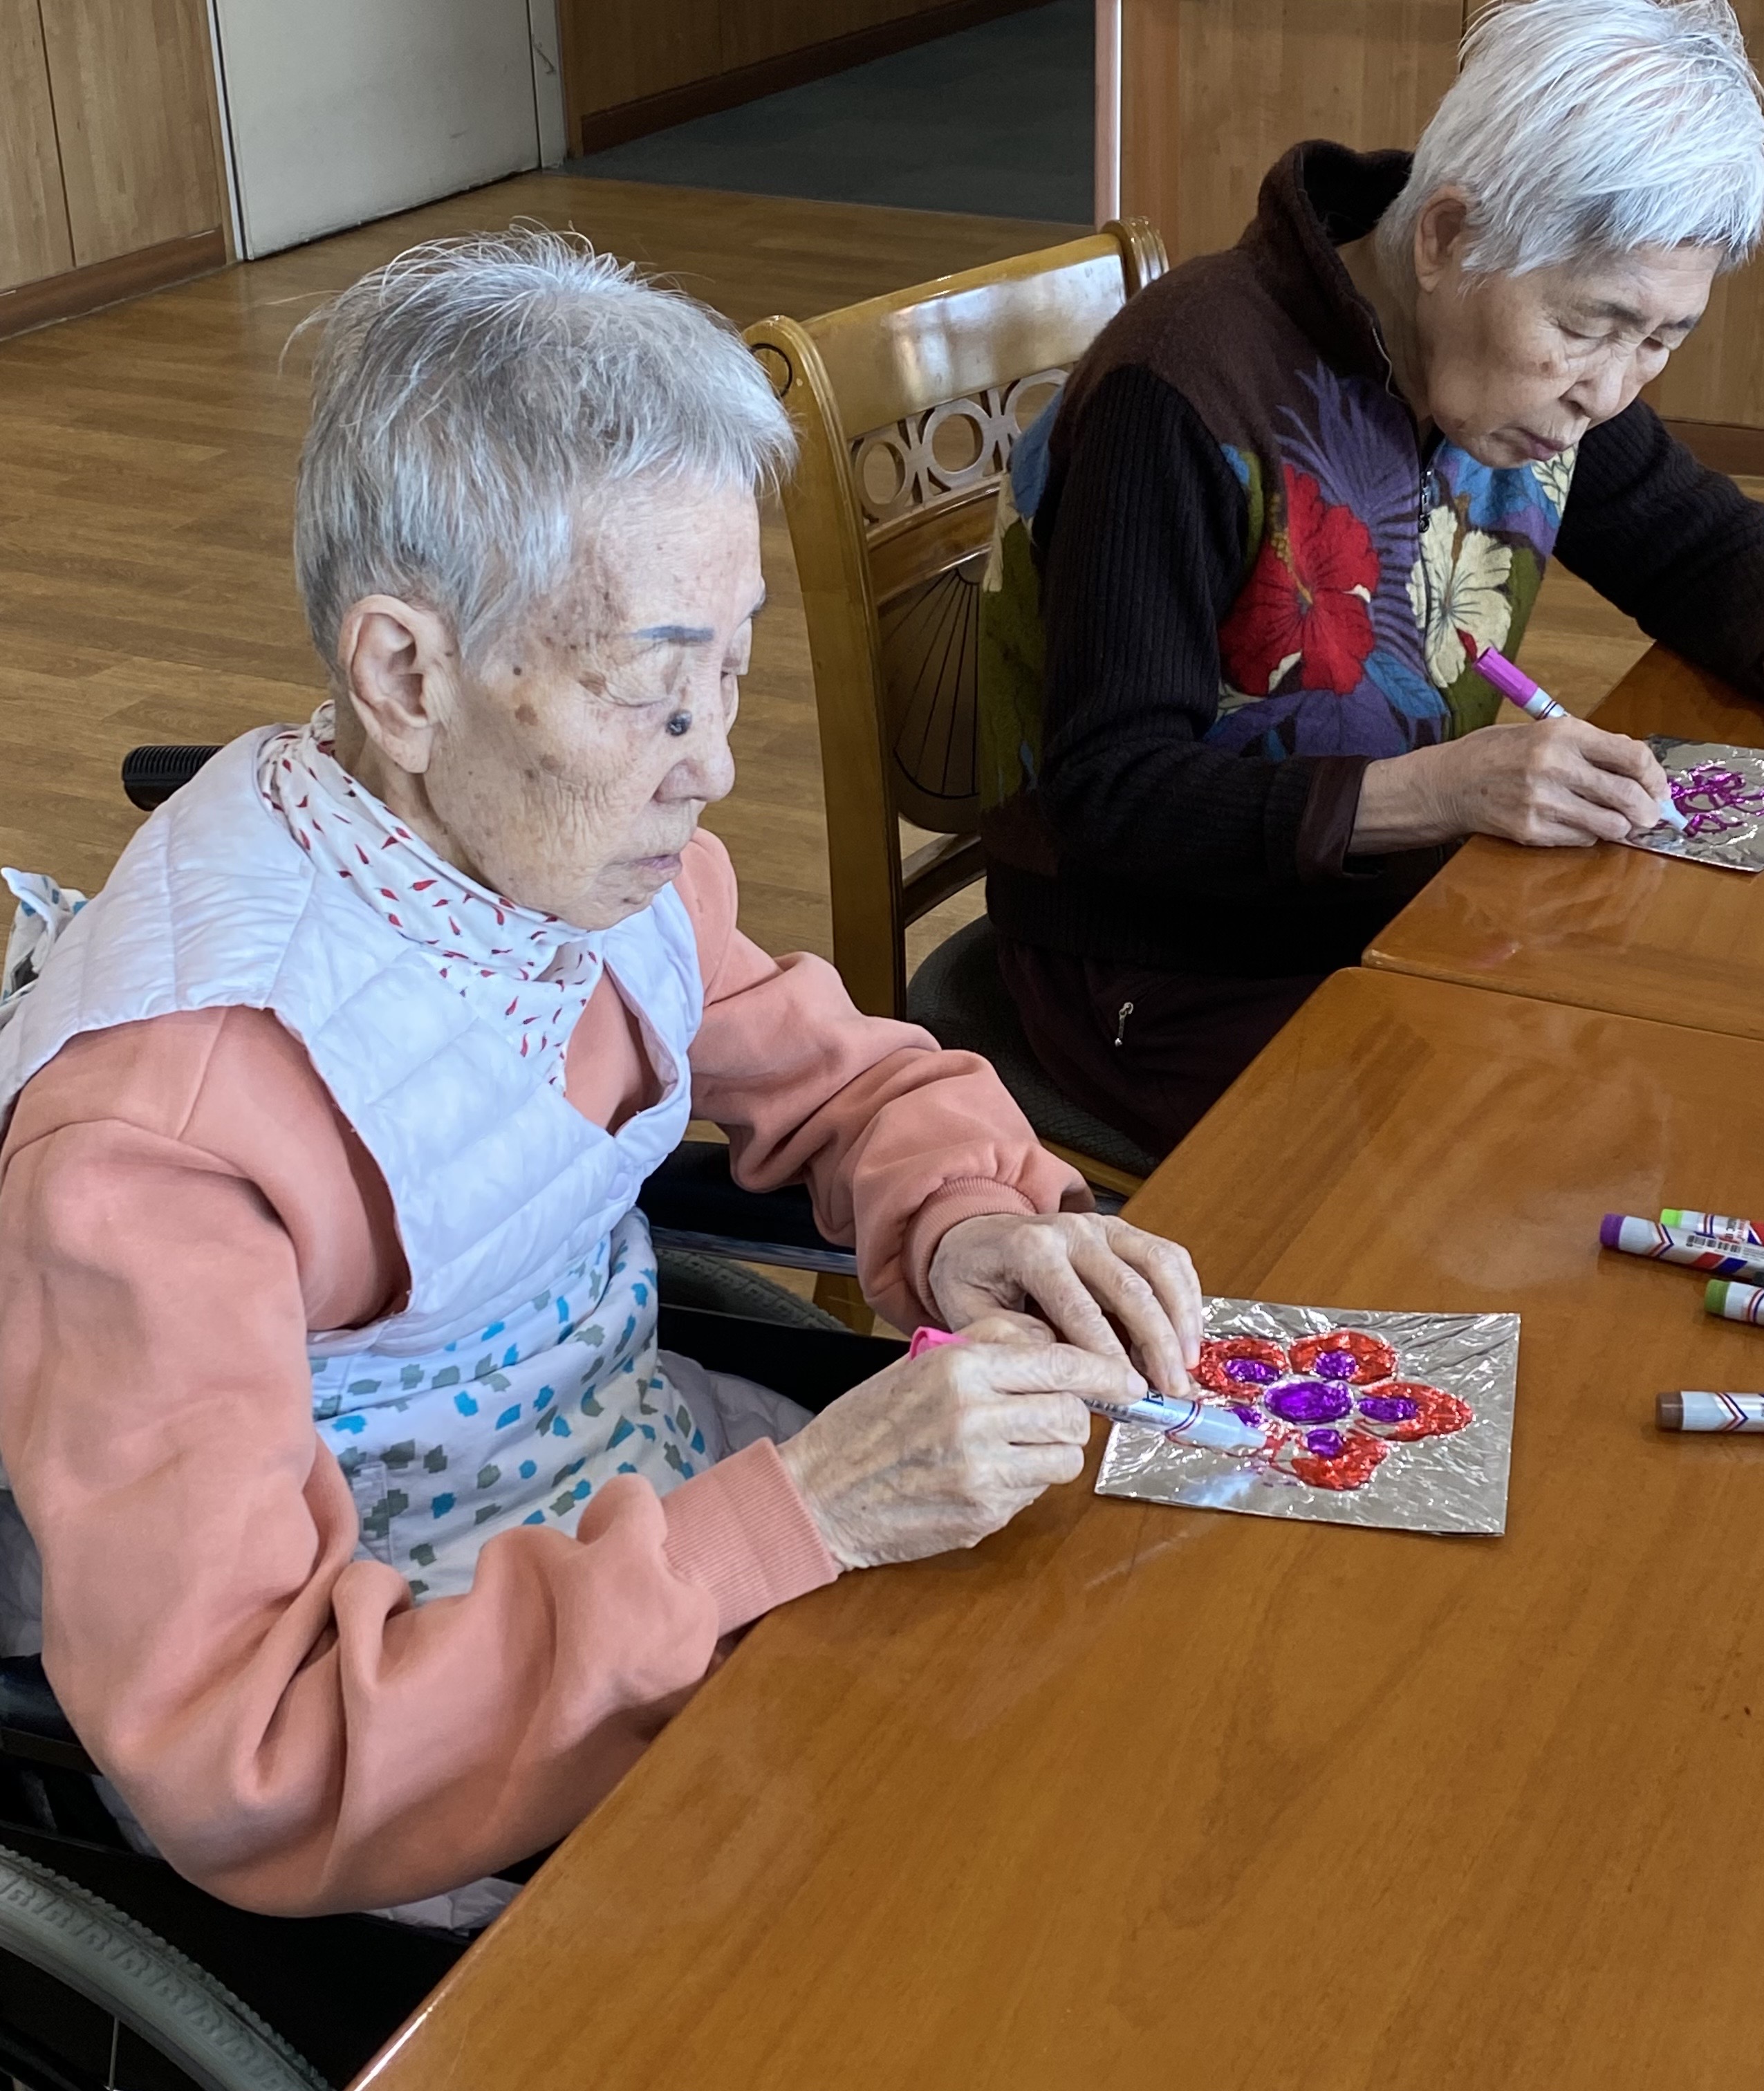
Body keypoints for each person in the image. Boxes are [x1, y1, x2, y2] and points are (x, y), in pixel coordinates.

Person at [0, 232, 1205, 1922]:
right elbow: (251, 1752)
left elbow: (842, 1082)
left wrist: (968, 1220)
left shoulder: (577, 864)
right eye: (650, 691)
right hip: (426, 1735)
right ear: (404, 678)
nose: (712, 765)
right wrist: (793, 1520)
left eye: (732, 670)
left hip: (647, 1499)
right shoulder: (164, 1136)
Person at [977, 0, 1764, 1158]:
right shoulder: (1182, 391)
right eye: (1593, 326)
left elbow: (1690, 536)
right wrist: (1437, 793)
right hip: (1161, 966)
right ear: (1445, 237)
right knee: (1529, 1162)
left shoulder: (1519, 367)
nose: (1610, 391)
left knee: (1710, 1053)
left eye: (1662, 339)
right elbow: (1109, 797)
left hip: (1406, 901)